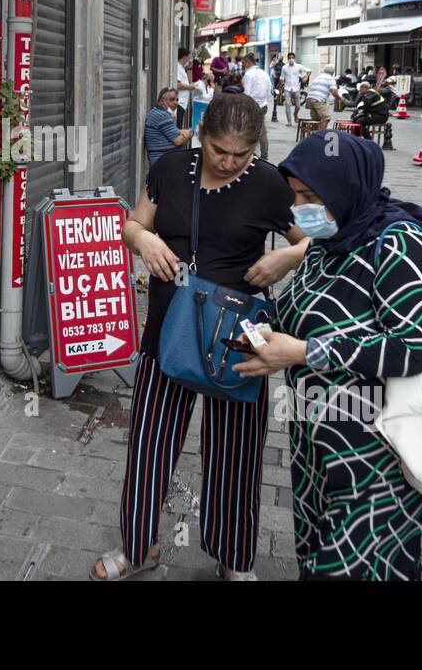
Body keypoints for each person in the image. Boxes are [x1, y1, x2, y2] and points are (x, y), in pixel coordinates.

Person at [232, 130, 422, 580]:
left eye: (310, 195)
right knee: (315, 558)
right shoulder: (329, 243)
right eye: (294, 195)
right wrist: (271, 337)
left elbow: (411, 349)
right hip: (316, 447)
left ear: (347, 188)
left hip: (376, 454)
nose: (299, 207)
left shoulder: (401, 245)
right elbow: (309, 316)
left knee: (352, 567)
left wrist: (304, 351)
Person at [91, 93, 306, 581]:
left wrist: (287, 257)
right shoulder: (170, 169)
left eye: (241, 154)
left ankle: (234, 560)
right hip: (170, 325)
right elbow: (133, 224)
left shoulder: (269, 184)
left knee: (236, 452)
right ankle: (138, 546)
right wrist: (143, 239)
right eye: (218, 150)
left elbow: (320, 234)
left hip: (240, 334)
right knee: (149, 442)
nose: (229, 162)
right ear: (200, 134)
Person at [145, 87, 193, 167]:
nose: (176, 103)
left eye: (177, 100)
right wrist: (189, 133)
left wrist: (182, 133)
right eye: (171, 99)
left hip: (166, 161)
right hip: (164, 164)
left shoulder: (160, 113)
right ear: (161, 101)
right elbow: (179, 141)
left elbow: (175, 132)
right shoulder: (161, 115)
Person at [241, 52, 274, 160]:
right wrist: (263, 100)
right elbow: (270, 90)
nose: (243, 65)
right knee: (261, 130)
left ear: (247, 62)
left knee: (251, 131)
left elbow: (246, 93)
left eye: (244, 63)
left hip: (252, 106)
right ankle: (264, 155)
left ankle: (251, 155)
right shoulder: (264, 73)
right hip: (263, 105)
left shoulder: (249, 74)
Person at [304, 63, 340, 128]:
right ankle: (321, 136)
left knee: (316, 119)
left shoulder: (319, 76)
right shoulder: (330, 78)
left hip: (310, 98)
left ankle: (314, 135)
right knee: (326, 118)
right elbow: (334, 92)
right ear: (333, 72)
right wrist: (340, 98)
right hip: (318, 99)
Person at [280, 52, 308, 125]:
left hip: (296, 88)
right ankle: (289, 121)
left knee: (298, 105)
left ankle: (295, 114)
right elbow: (282, 78)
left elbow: (309, 71)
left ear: (294, 59)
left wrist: (306, 77)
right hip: (287, 88)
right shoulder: (284, 67)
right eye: (290, 58)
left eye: (292, 58)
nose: (291, 59)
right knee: (287, 104)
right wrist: (280, 89)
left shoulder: (298, 66)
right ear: (288, 59)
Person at [175, 47, 196, 128]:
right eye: (188, 57)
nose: (189, 60)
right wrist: (190, 87)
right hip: (179, 102)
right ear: (184, 57)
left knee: (180, 125)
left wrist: (190, 68)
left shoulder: (182, 68)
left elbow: (188, 82)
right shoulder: (178, 67)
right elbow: (178, 85)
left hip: (183, 103)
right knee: (178, 126)